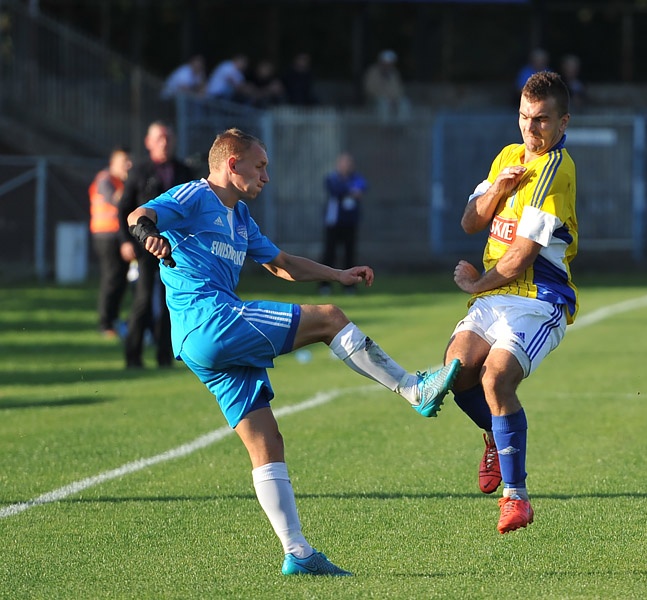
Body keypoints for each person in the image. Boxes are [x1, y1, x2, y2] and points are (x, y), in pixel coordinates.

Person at [125, 127, 460, 576]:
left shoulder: (240, 218)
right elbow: (137, 214)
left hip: (201, 343)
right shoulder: (194, 195)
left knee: (267, 441)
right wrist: (149, 234)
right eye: (260, 166)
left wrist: (338, 272)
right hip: (212, 321)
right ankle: (412, 388)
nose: (266, 176)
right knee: (329, 318)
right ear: (232, 164)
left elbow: (280, 264)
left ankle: (297, 553)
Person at [439, 71, 578, 534]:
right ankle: (497, 440)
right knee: (455, 373)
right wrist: (499, 187)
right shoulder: (508, 156)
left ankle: (515, 497)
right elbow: (468, 221)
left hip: (539, 298)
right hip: (496, 295)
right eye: (524, 117)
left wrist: (477, 284)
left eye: (541, 120)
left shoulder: (558, 168)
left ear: (562, 123)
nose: (530, 129)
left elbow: (521, 257)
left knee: (496, 377)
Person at [118, 121, 194, 368]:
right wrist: (125, 241)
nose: (165, 142)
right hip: (144, 247)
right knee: (142, 302)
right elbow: (124, 209)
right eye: (160, 138)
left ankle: (165, 356)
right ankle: (133, 357)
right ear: (149, 142)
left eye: (169, 137)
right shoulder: (140, 171)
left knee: (169, 303)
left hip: (174, 250)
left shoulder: (184, 171)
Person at [89, 146, 132, 338]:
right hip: (106, 236)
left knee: (120, 279)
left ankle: (112, 321)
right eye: (125, 162)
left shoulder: (118, 181)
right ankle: (105, 323)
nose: (128, 166)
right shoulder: (105, 180)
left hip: (117, 236)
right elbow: (118, 202)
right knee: (112, 279)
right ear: (113, 163)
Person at [319, 152, 367, 295]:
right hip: (333, 223)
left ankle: (350, 286)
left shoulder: (355, 178)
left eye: (349, 163)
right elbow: (336, 190)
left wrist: (351, 189)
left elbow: (363, 185)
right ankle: (325, 285)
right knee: (329, 254)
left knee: (349, 254)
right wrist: (351, 190)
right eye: (344, 163)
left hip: (350, 223)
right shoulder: (332, 178)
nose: (346, 166)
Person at [362, 49, 411, 122]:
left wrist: (395, 99)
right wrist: (387, 98)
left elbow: (399, 89)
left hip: (394, 100)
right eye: (386, 63)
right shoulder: (372, 72)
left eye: (390, 63)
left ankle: (402, 126)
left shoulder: (394, 73)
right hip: (377, 100)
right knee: (383, 104)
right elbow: (369, 89)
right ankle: (385, 127)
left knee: (405, 103)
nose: (388, 66)